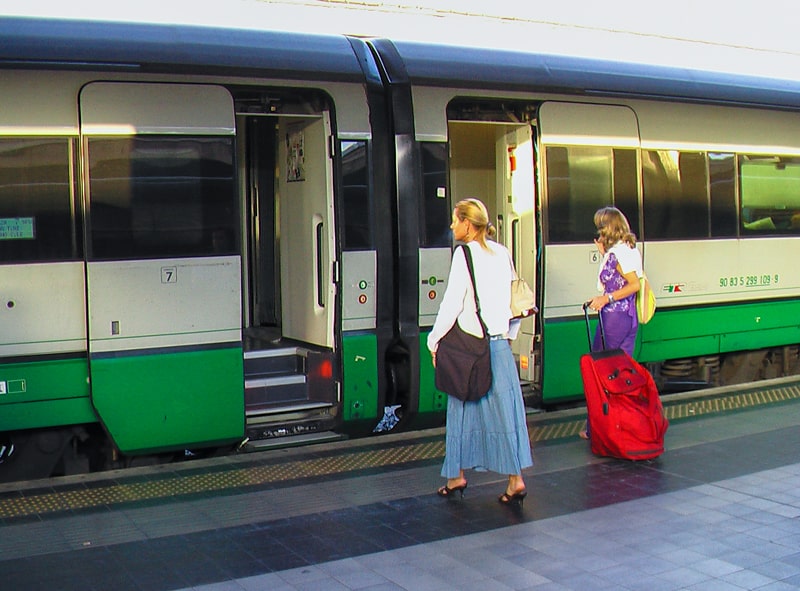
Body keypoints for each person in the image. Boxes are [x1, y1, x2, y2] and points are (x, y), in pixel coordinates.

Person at [428, 198, 533, 505]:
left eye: (455, 220)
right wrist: (508, 336)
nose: (451, 226)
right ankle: (515, 480)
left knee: (461, 408)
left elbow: (452, 303)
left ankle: (457, 476)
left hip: (471, 350)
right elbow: (513, 299)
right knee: (505, 413)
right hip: (498, 345)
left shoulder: (464, 255)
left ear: (468, 226)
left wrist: (433, 341)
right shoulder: (502, 252)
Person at [581, 206, 642, 439]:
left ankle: (595, 427)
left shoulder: (617, 254)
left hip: (614, 318)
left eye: (600, 226)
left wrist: (604, 298)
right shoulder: (628, 249)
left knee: (601, 371)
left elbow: (633, 284)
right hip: (629, 317)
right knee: (623, 373)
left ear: (607, 228)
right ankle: (622, 424)